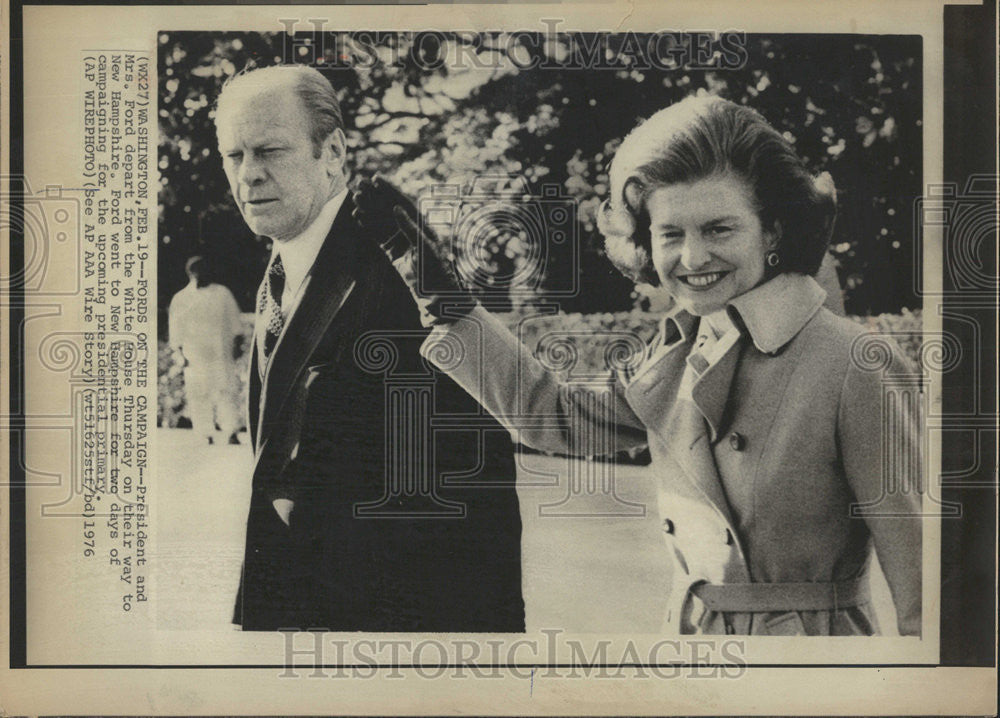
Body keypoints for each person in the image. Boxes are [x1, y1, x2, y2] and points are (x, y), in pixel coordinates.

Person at [358, 95, 923, 636]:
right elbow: (554, 416)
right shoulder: (676, 350)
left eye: (719, 228)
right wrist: (447, 303)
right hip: (687, 655)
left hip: (816, 676)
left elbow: (926, 598)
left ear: (773, 230)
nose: (693, 258)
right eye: (670, 234)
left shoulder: (855, 364)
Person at [213, 64, 524, 631]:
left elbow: (475, 485)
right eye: (235, 156)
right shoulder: (284, 266)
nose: (249, 175)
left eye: (270, 151)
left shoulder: (397, 273)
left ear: (332, 152)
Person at [168, 255, 243, 445]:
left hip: (221, 353)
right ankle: (205, 434)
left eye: (205, 268)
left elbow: (235, 321)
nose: (202, 273)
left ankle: (231, 431)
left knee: (226, 392)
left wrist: (237, 344)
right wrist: (179, 354)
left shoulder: (223, 294)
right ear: (190, 273)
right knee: (199, 394)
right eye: (197, 269)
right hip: (195, 356)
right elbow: (175, 330)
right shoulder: (181, 298)